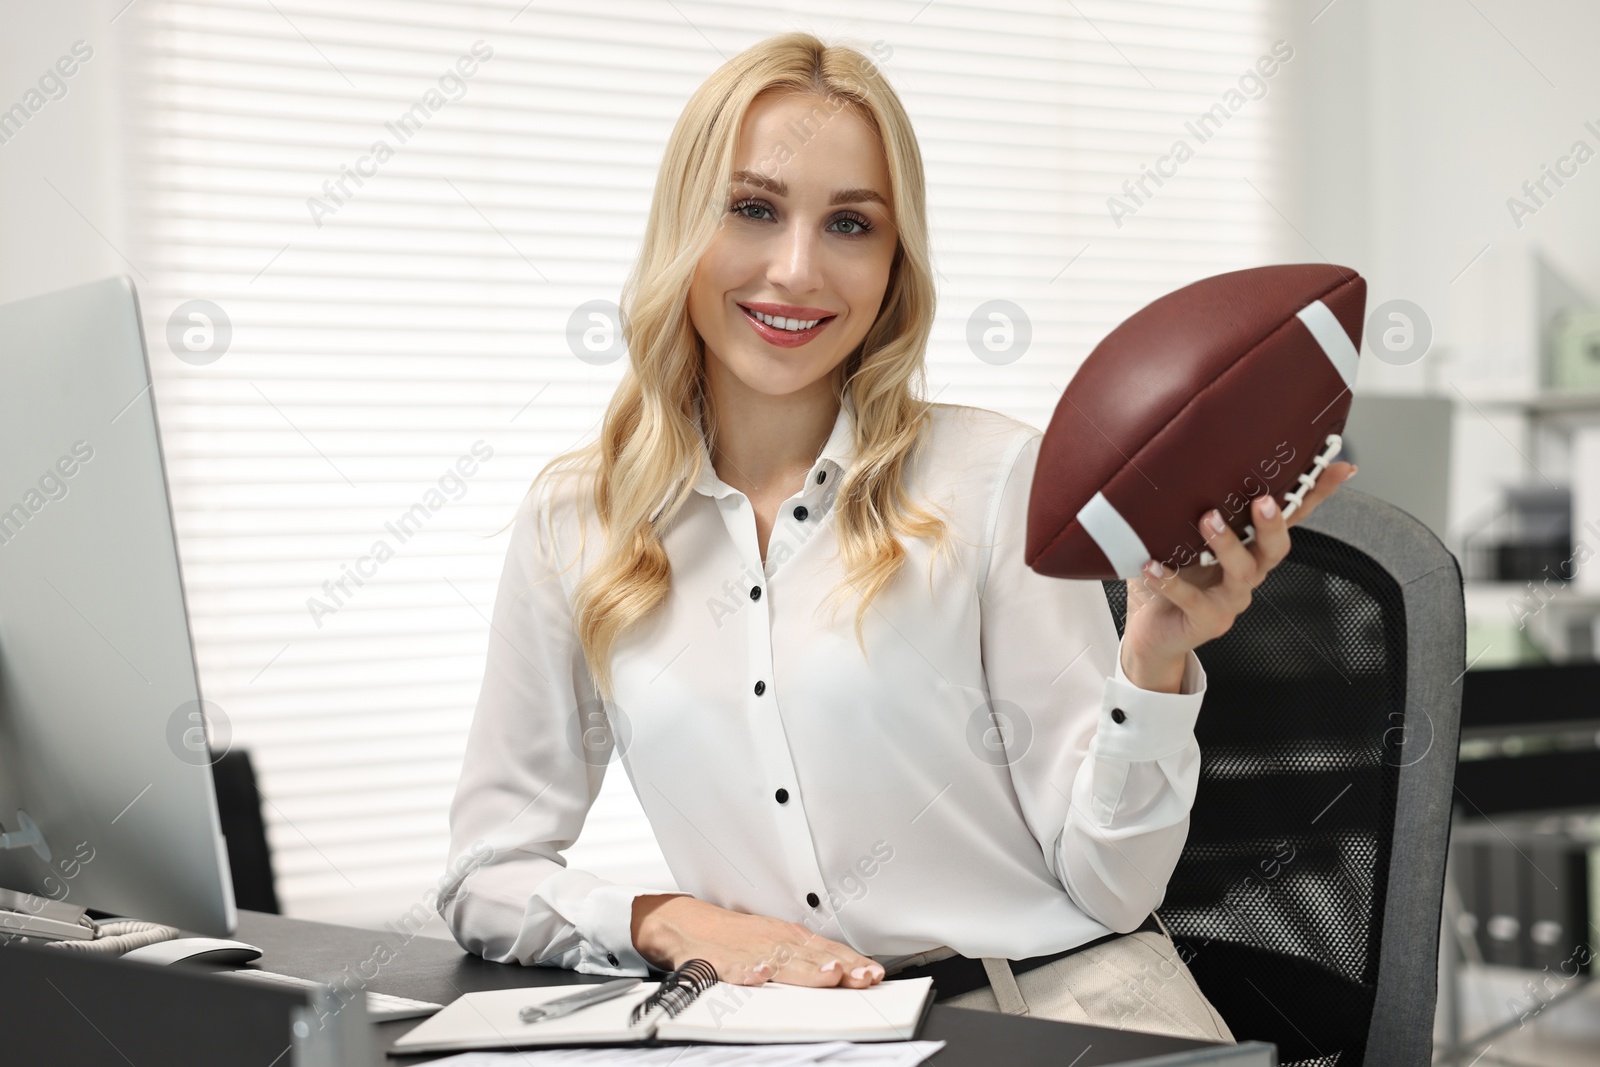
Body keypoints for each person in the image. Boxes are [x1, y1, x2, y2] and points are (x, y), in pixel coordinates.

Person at [437, 31, 1355, 1039]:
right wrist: (673, 920)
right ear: (681, 229)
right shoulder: (578, 522)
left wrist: (1151, 666)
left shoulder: (992, 479)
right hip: (786, 1033)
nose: (795, 268)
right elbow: (488, 873)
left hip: (1054, 1010)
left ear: (893, 261)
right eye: (752, 209)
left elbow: (1111, 889)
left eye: (849, 224)